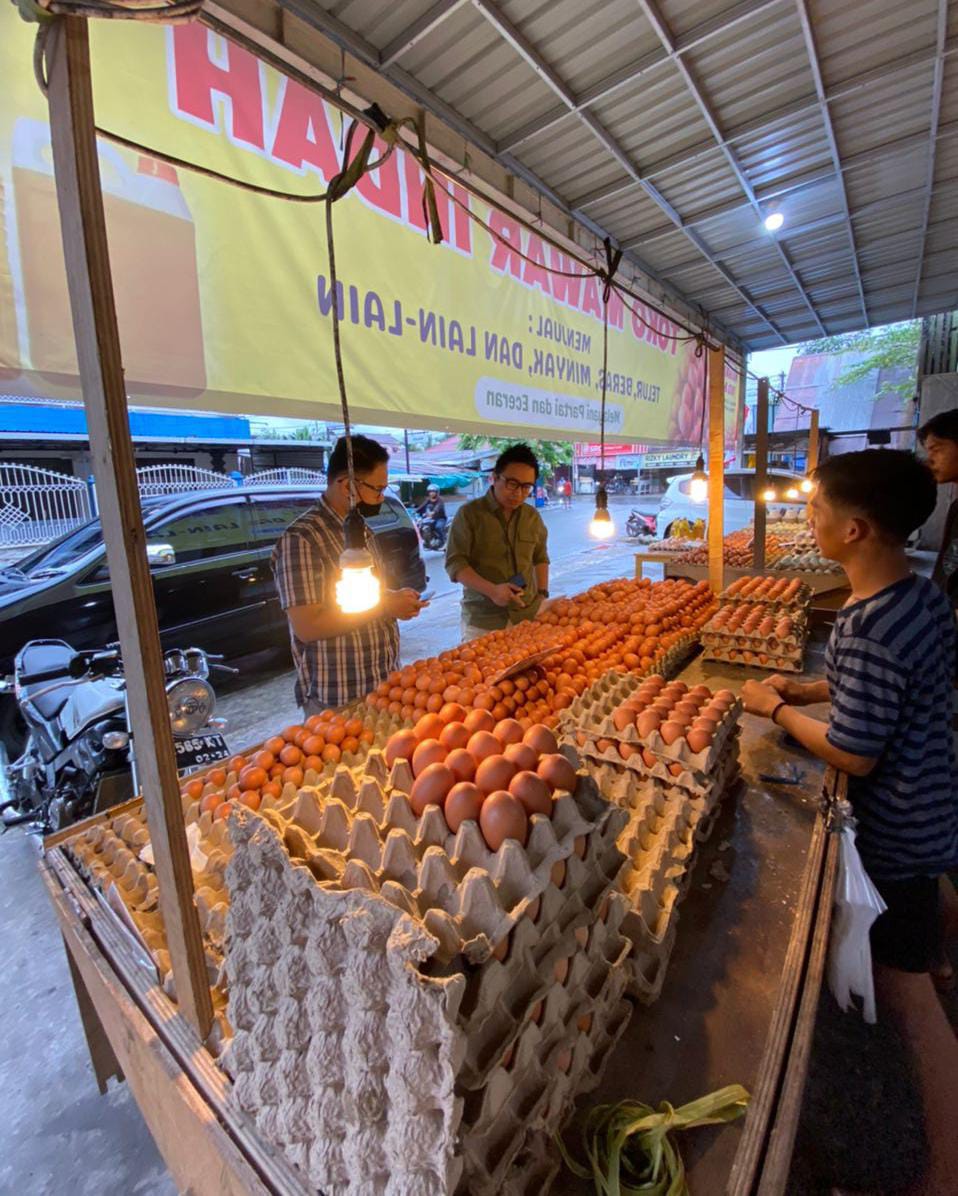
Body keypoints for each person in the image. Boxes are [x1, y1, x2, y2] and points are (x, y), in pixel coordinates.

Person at [741, 449, 958, 1194]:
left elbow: (854, 753)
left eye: (815, 511)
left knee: (911, 1003)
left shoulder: (866, 625)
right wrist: (807, 685)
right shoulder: (917, 597)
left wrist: (774, 710)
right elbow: (872, 690)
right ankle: (937, 948)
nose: (809, 519)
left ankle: (946, 1166)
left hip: (896, 830)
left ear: (855, 530)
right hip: (934, 807)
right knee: (924, 929)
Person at [271, 435, 426, 716]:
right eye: (377, 489)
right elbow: (308, 625)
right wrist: (385, 606)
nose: (381, 497)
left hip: (382, 684)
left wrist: (392, 599)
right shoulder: (302, 539)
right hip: (338, 697)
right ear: (346, 485)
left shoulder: (360, 530)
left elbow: (364, 597)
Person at [445, 443, 549, 642]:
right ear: (495, 477)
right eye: (512, 483)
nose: (518, 493)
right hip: (483, 622)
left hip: (526, 616)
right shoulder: (469, 514)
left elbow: (540, 557)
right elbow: (455, 564)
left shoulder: (532, 517)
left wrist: (542, 594)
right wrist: (492, 591)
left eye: (526, 487)